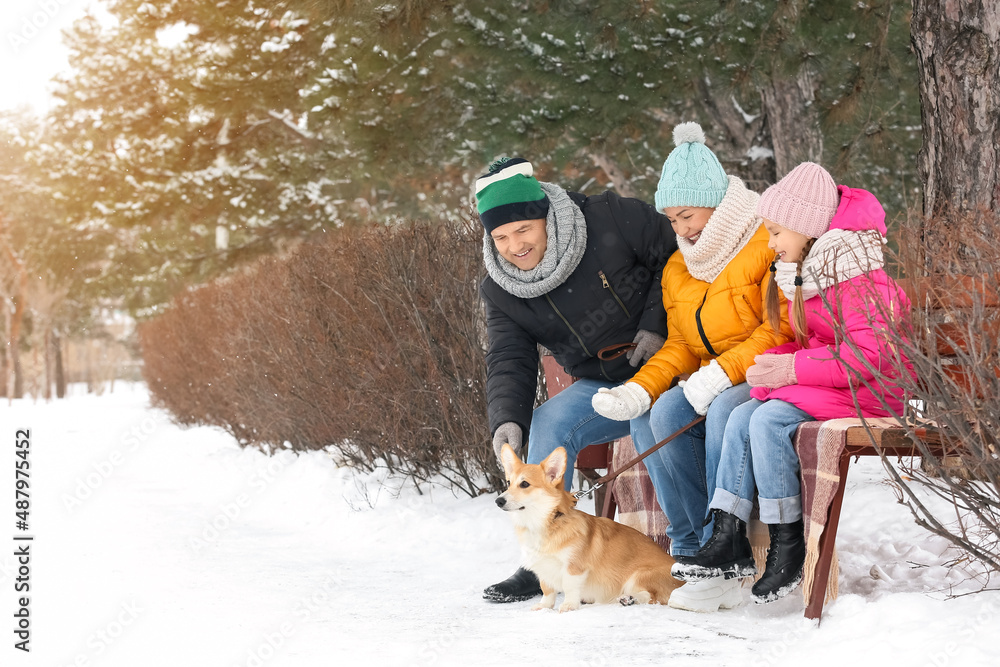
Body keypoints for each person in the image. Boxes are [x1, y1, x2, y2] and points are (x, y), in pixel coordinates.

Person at [672, 162, 913, 604]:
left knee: (765, 421)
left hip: (875, 391)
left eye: (778, 231)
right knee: (744, 412)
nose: (771, 242)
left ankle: (789, 545)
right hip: (841, 383)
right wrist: (772, 361)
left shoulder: (856, 278)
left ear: (808, 228)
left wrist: (791, 371)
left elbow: (868, 356)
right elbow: (816, 341)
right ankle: (728, 529)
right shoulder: (816, 272)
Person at [592, 122, 793, 612]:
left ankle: (723, 554)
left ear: (717, 203)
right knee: (657, 414)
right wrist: (640, 388)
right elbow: (680, 343)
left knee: (723, 404)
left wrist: (722, 373)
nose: (680, 230)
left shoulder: (763, 243)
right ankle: (691, 550)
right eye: (672, 220)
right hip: (712, 374)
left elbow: (781, 328)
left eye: (687, 215)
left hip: (763, 370)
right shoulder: (680, 266)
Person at [476, 156, 677, 602]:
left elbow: (677, 256)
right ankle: (542, 562)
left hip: (671, 363)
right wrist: (506, 417)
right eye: (501, 237)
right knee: (548, 424)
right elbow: (509, 355)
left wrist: (655, 323)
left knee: (653, 417)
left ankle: (689, 547)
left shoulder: (611, 218)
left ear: (545, 216)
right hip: (603, 384)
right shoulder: (501, 286)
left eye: (524, 230)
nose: (515, 246)